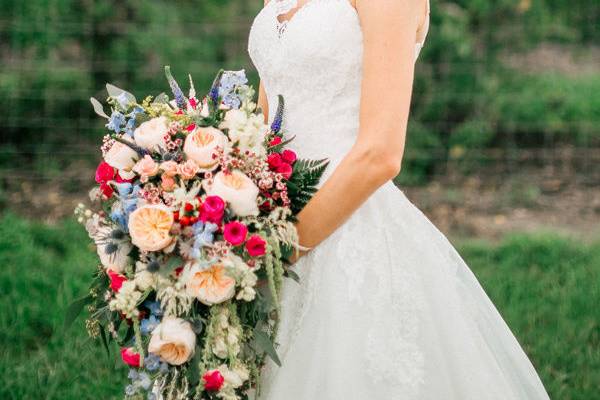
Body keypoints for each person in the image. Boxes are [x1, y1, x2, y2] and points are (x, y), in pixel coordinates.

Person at [248, 0, 551, 398]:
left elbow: (381, 154)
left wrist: (280, 249)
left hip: (342, 231)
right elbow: (264, 123)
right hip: (263, 221)